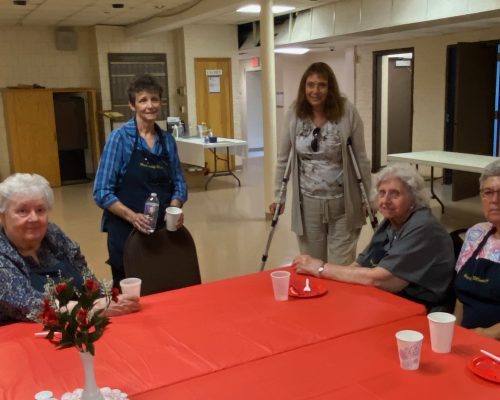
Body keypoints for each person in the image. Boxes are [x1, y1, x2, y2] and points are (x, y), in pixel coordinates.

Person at [294, 163, 455, 310]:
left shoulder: (423, 226)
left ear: (413, 199)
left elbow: (378, 279)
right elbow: (359, 265)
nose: (385, 200)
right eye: (382, 193)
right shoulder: (391, 222)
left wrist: (320, 268)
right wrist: (331, 291)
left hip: (424, 308)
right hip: (394, 298)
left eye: (395, 194)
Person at [0, 173, 140, 325]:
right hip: (22, 338)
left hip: (79, 327)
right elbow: (29, 304)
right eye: (22, 211)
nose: (33, 218)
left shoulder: (52, 233)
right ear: (2, 216)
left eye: (40, 210)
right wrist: (93, 309)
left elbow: (85, 274)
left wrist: (105, 298)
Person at [270, 62, 371, 265]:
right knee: (312, 264)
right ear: (304, 87)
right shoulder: (294, 114)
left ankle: (340, 298)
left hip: (344, 203)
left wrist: (368, 197)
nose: (315, 90)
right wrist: (277, 196)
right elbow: (283, 159)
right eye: (311, 84)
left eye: (322, 85)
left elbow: (360, 157)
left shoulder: (346, 112)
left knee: (340, 266)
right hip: (308, 204)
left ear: (330, 87)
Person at [93, 74, 188, 287]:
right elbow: (101, 191)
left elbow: (179, 183)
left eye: (154, 99)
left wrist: (174, 208)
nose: (150, 105)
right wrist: (133, 217)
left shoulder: (167, 141)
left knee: (163, 286)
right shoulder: (119, 139)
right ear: (132, 105)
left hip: (162, 233)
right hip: (126, 233)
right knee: (131, 293)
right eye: (143, 100)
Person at [454, 160, 500, 340]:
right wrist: (454, 336)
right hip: (467, 339)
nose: (495, 200)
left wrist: (483, 334)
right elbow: (461, 297)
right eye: (488, 193)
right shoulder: (477, 233)